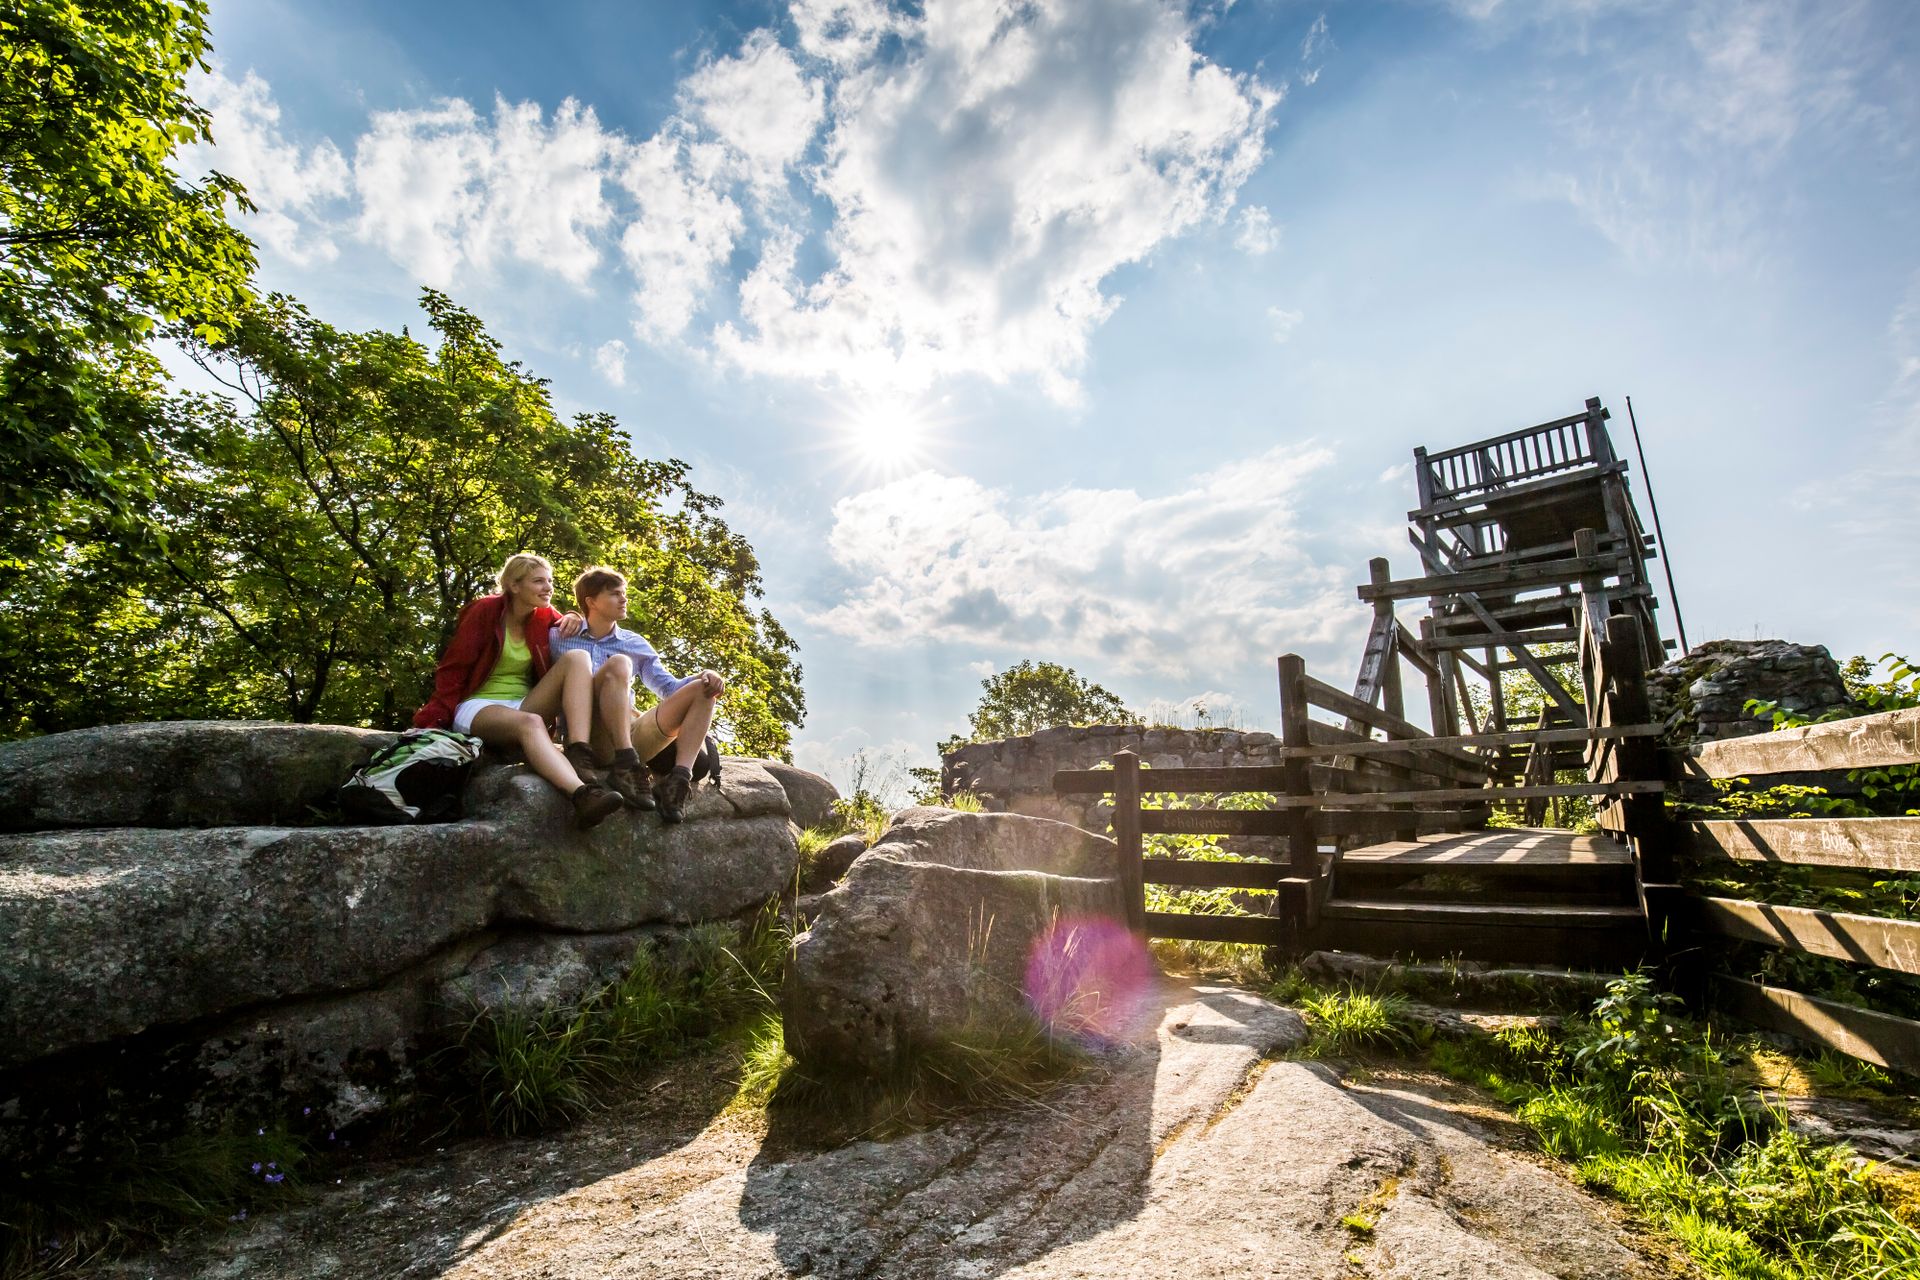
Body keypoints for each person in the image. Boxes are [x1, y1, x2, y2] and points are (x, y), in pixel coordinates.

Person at [414, 553, 626, 829]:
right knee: (531, 722)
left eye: (549, 581)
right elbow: (453, 668)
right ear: (514, 586)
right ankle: (583, 795)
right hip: (480, 706)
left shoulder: (543, 616)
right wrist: (435, 720)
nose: (548, 587)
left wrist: (573, 615)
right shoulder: (486, 611)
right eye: (538, 581)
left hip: (524, 703)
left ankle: (578, 750)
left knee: (578, 657)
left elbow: (568, 624)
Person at [551, 566, 726, 824]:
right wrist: (570, 615)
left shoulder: (634, 642)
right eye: (614, 594)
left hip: (630, 739)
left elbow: (668, 688)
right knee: (619, 663)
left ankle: (677, 781)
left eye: (624, 593)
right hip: (587, 739)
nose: (624, 599)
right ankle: (622, 764)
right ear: (591, 602)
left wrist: (708, 676)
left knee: (704, 689)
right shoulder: (559, 635)